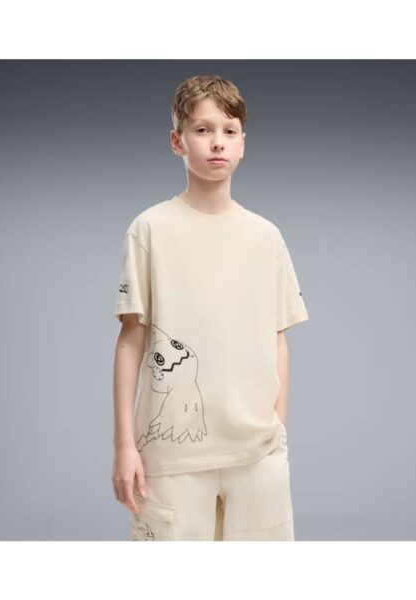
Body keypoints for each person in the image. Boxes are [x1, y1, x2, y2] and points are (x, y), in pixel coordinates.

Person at [112, 74, 309, 541]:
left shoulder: (266, 237)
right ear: (177, 141)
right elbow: (131, 339)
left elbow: (277, 338)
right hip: (171, 456)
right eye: (202, 130)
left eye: (229, 130)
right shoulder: (150, 230)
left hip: (257, 455)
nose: (217, 142)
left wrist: (276, 428)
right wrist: (124, 446)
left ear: (242, 144)